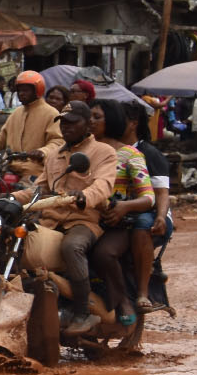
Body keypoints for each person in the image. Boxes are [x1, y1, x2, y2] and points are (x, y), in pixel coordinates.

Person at [14, 101, 117, 335]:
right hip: (50, 221)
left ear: (88, 123)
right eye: (64, 123)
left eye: (73, 123)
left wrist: (84, 196)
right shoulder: (54, 156)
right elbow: (38, 189)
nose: (67, 128)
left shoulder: (103, 152)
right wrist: (10, 199)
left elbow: (103, 185)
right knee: (17, 240)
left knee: (72, 246)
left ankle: (82, 313)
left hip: (83, 221)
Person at [88, 99, 154, 327]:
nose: (91, 121)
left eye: (97, 117)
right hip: (81, 218)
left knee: (103, 254)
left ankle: (122, 300)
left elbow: (148, 197)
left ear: (112, 121)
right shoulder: (80, 150)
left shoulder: (129, 154)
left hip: (114, 223)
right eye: (89, 116)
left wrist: (125, 206)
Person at [123, 100, 174, 314]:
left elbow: (162, 193)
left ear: (133, 123)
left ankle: (142, 292)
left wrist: (161, 217)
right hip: (119, 211)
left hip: (149, 212)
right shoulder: (106, 149)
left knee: (143, 224)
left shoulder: (149, 153)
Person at [0, 70, 63, 154]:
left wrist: (42, 152)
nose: (21, 93)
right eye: (19, 90)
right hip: (10, 163)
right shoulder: (17, 113)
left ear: (37, 91)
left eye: (25, 90)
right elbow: (3, 137)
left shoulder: (51, 113)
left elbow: (57, 141)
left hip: (36, 165)